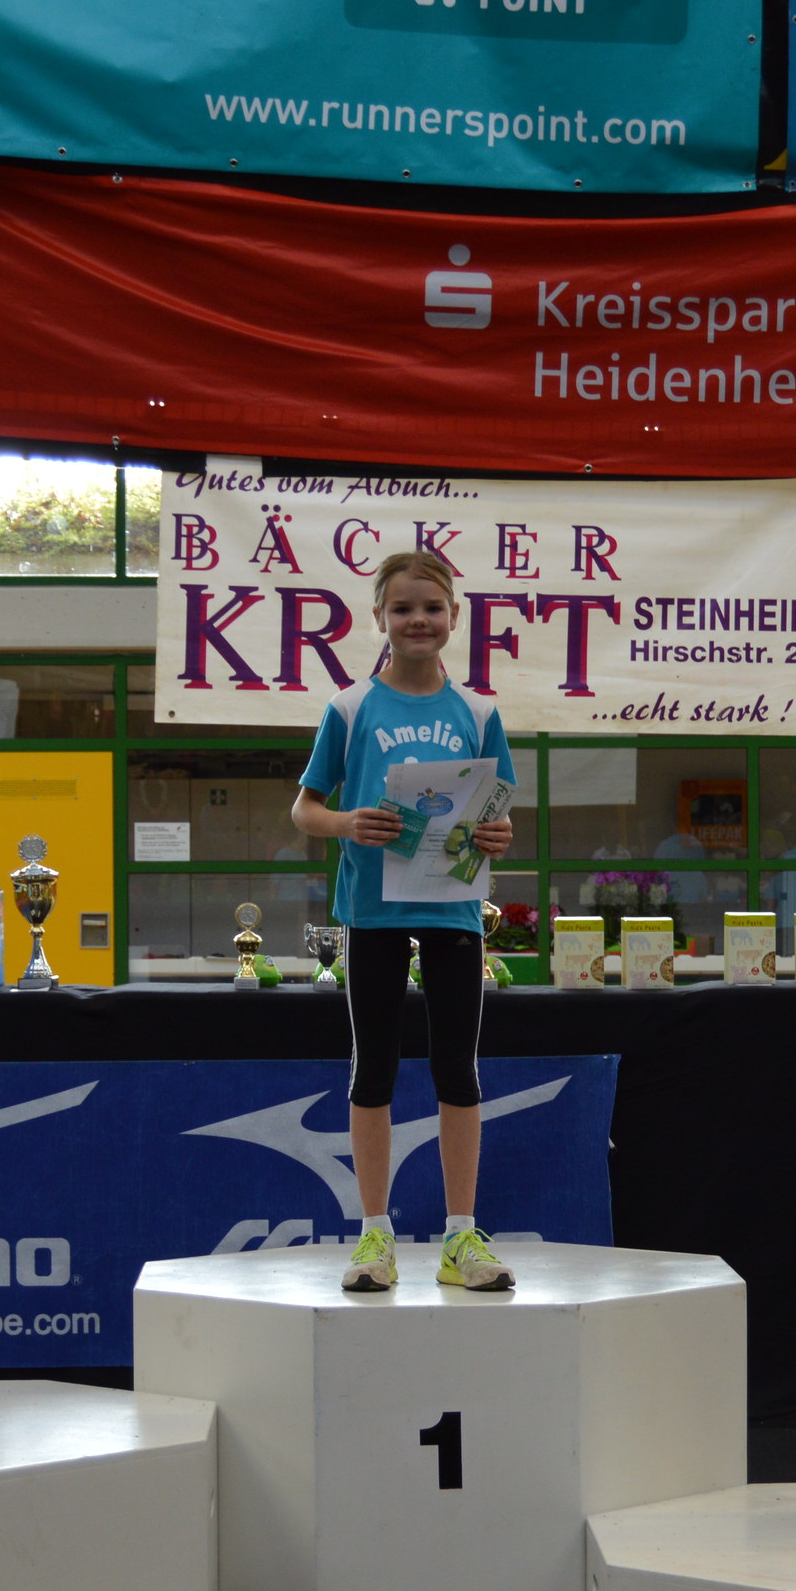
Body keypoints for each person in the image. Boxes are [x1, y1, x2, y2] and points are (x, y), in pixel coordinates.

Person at [290, 549, 517, 1293]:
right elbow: (305, 808)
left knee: (458, 1071)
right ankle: (374, 1236)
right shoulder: (351, 708)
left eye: (432, 608)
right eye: (402, 608)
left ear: (454, 616)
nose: (418, 620)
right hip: (373, 912)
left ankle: (461, 1237)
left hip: (454, 910)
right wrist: (347, 822)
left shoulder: (478, 712)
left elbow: (498, 812)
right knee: (374, 1071)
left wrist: (496, 836)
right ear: (380, 618)